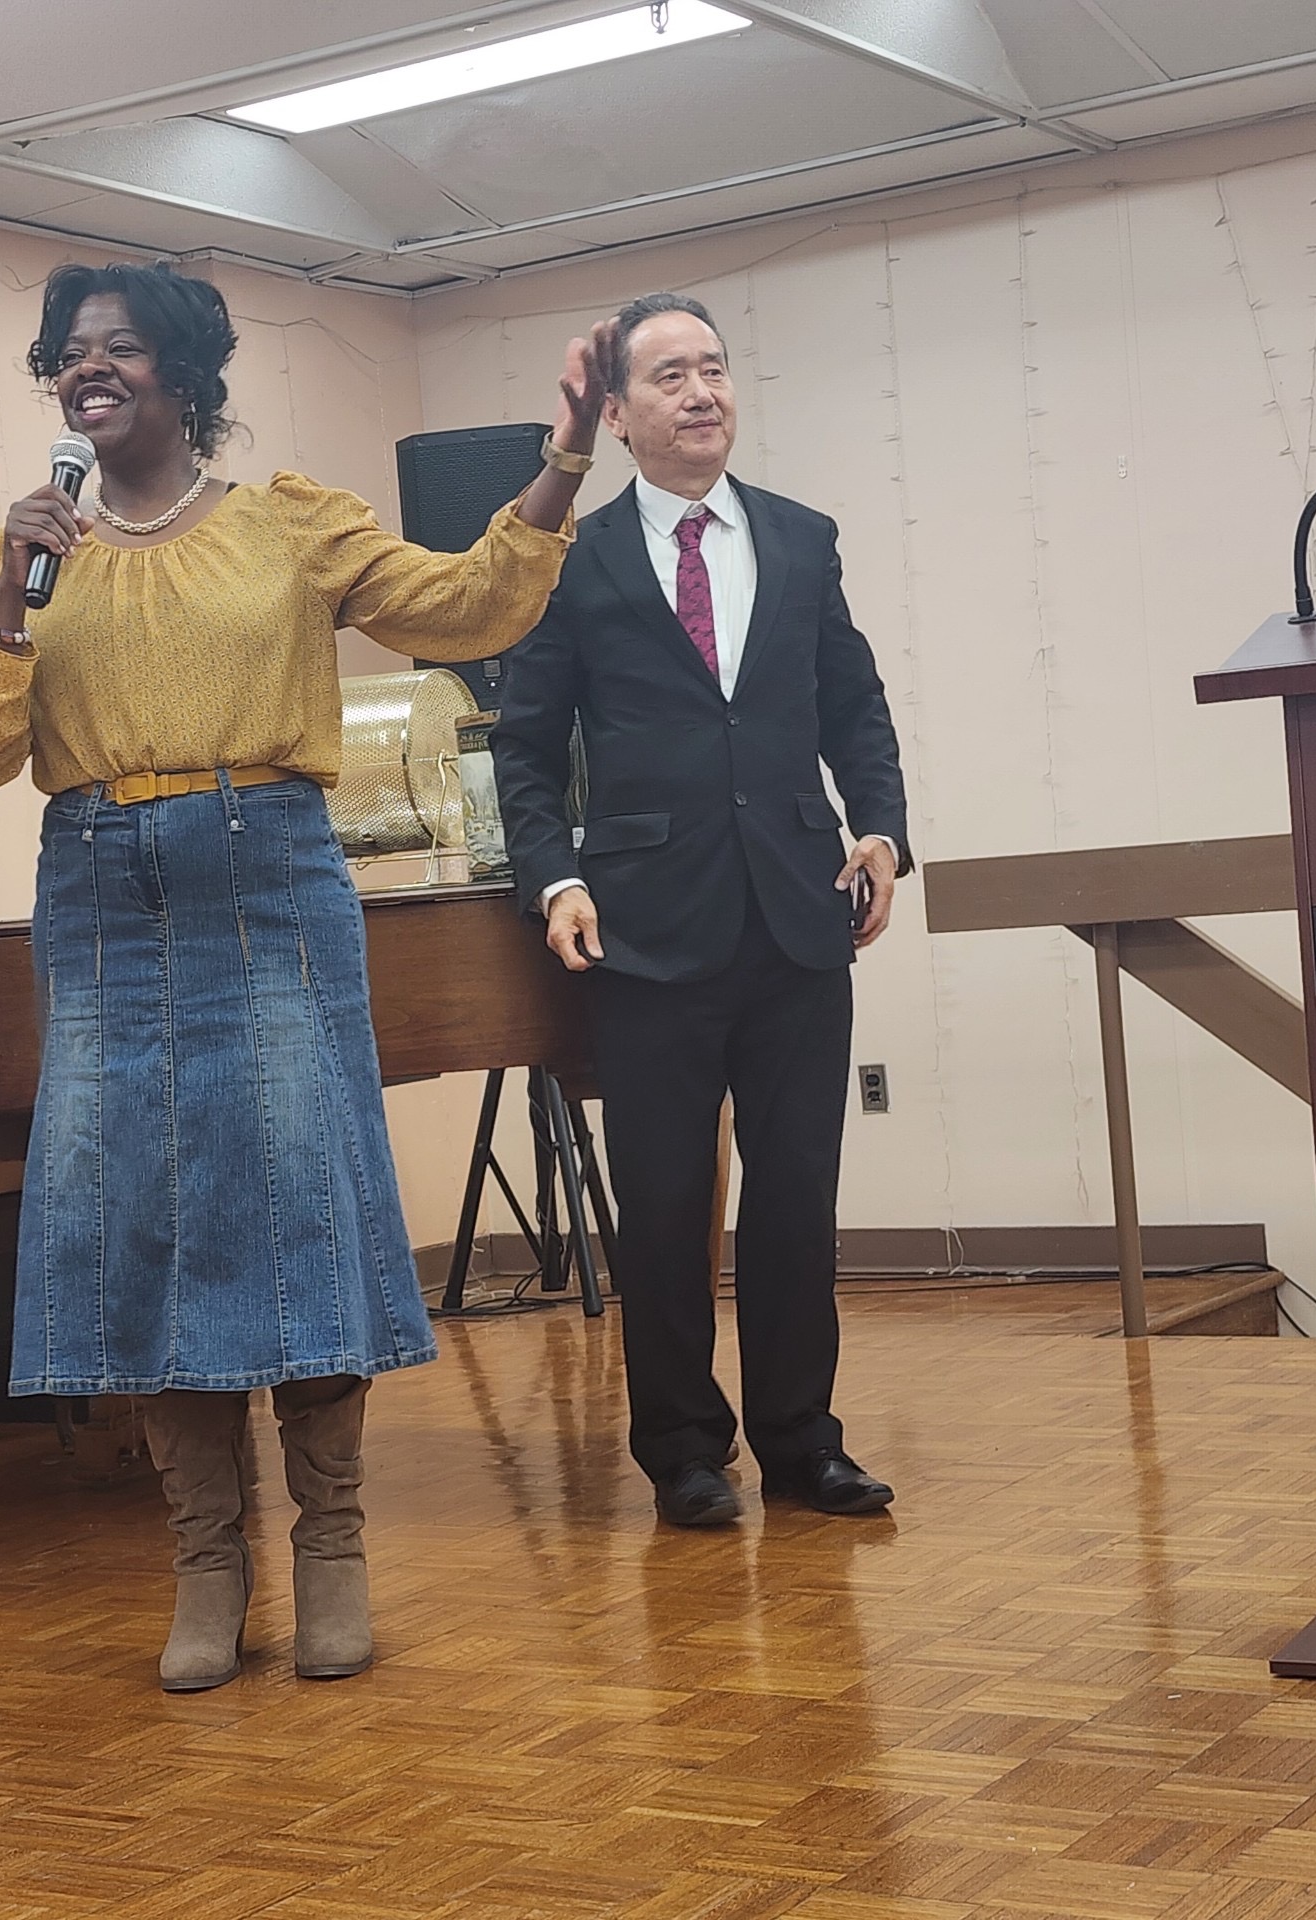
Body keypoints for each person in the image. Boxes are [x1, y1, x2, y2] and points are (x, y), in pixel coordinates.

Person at [0, 261, 612, 1691]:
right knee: (140, 1224)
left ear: (184, 376)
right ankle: (205, 1558)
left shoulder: (287, 524)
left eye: (120, 346)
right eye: (70, 351)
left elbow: (469, 607)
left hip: (267, 880)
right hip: (99, 895)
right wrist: (3, 601)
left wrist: (563, 455)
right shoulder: (28, 552)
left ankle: (332, 1546)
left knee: (297, 1201)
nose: (88, 367)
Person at [491, 291, 909, 1530]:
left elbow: (854, 706)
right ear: (616, 414)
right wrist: (554, 877)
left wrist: (881, 829)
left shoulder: (801, 539)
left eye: (714, 368)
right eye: (668, 375)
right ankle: (681, 1448)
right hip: (643, 929)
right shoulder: (570, 559)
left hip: (799, 914)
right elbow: (524, 748)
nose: (701, 392)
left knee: (795, 1199)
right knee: (664, 1206)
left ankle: (802, 1443)